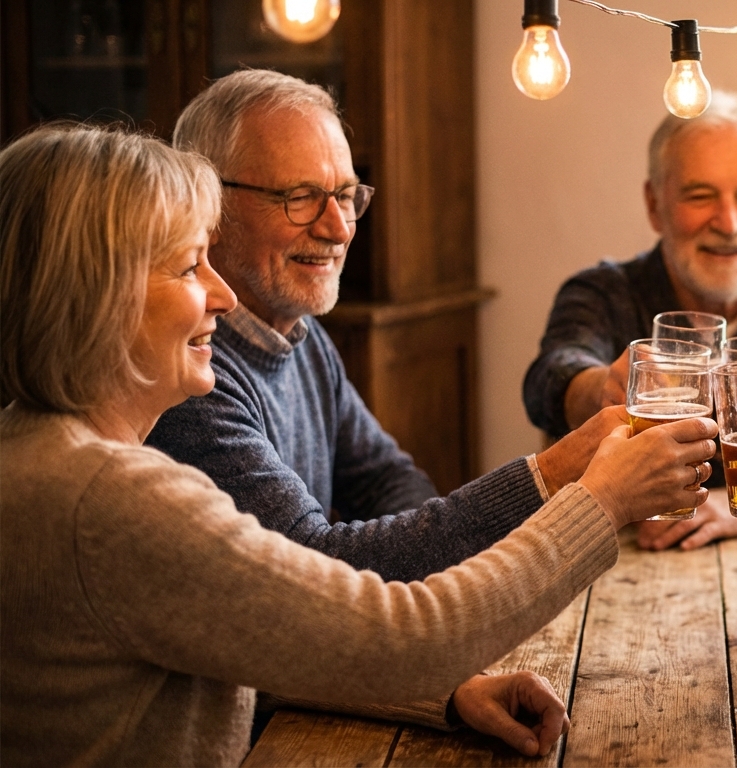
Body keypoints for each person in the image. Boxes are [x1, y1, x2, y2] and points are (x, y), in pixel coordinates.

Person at [0, 124, 717, 766]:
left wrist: (441, 695)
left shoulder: (42, 457)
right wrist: (597, 500)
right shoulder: (117, 501)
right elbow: (408, 636)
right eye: (191, 266)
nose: (222, 295)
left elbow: (253, 635)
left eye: (346, 195)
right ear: (96, 293)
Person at [145, 70, 619, 584]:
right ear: (210, 207)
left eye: (346, 195)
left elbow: (389, 480)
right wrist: (549, 476)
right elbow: (311, 570)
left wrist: (421, 557)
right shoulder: (189, 375)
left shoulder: (302, 337)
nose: (338, 228)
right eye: (300, 196)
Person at [522, 91, 737, 550]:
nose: (728, 223)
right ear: (654, 205)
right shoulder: (602, 293)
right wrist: (600, 387)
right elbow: (548, 379)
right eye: (700, 196)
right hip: (620, 566)